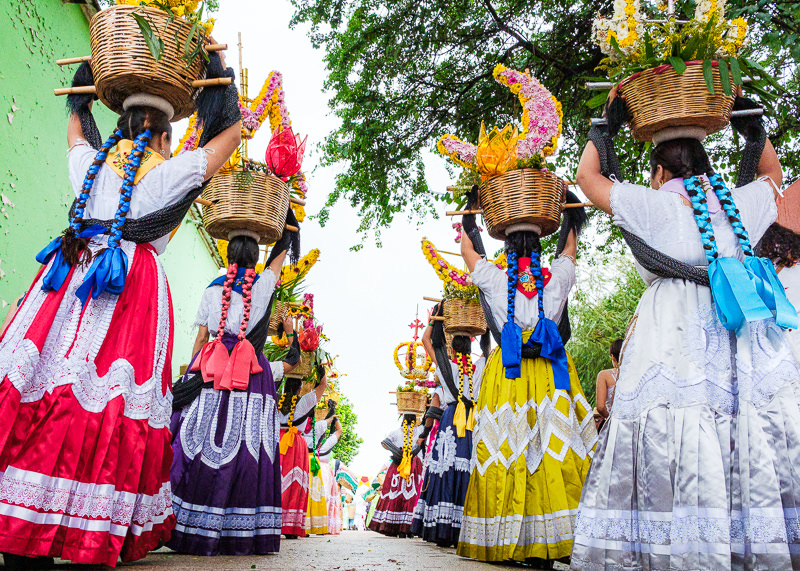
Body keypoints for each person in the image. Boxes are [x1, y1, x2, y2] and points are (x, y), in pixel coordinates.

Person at [0, 56, 241, 565]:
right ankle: (82, 528)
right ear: (161, 137)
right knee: (107, 398)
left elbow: (75, 123)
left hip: (68, 279)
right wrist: (219, 79)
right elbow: (230, 137)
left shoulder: (89, 162)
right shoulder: (170, 173)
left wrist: (83, 82)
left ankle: (21, 519)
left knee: (46, 382)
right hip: (131, 294)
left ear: (122, 125)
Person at [570, 88, 800, 569]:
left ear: (659, 173)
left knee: (673, 427)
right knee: (737, 424)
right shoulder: (739, 202)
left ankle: (679, 549)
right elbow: (772, 175)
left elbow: (588, 179)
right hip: (737, 325)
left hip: (669, 332)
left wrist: (606, 123)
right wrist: (747, 119)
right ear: (706, 166)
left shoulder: (652, 207)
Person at [457, 217, 597, 565]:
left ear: (506, 249)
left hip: (509, 375)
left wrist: (469, 221)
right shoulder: (556, 279)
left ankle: (503, 541)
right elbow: (569, 251)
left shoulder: (496, 278)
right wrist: (569, 219)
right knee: (552, 449)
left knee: (507, 447)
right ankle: (549, 545)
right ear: (539, 250)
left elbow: (468, 252)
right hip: (550, 374)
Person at [167, 232, 299, 556]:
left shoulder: (213, 287)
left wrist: (190, 375)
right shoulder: (265, 284)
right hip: (252, 371)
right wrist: (288, 222)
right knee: (248, 446)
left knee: (195, 439)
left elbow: (201, 338)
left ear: (228, 256)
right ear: (256, 257)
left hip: (210, 365)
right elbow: (282, 253)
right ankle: (240, 531)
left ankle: (188, 521)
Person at [412, 303, 487, 547]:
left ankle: (442, 528)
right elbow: (487, 351)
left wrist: (436, 317)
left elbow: (427, 340)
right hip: (472, 421)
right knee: (467, 466)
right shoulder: (481, 367)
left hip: (450, 419)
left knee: (445, 468)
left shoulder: (447, 368)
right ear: (471, 347)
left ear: (452, 350)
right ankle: (465, 527)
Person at [278, 370, 327, 538]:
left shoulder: (275, 399)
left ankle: (272, 521)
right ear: (300, 388)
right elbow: (323, 385)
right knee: (295, 482)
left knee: (275, 480)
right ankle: (291, 527)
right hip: (296, 445)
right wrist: (320, 368)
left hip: (276, 441)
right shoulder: (305, 402)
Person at [368, 414, 425, 537]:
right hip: (413, 465)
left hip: (397, 465)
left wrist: (397, 452)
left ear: (403, 419)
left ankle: (392, 527)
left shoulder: (396, 432)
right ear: (415, 420)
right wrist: (413, 451)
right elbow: (422, 441)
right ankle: (407, 528)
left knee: (395, 493)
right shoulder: (420, 430)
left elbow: (384, 442)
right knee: (410, 495)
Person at [304, 409, 339, 536]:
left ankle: (301, 525)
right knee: (315, 494)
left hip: (300, 458)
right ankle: (315, 526)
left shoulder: (298, 425)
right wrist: (333, 413)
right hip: (313, 461)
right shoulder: (318, 426)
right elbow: (330, 423)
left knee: (302, 492)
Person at [316, 404, 344, 535]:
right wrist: (334, 416)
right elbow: (339, 430)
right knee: (325, 497)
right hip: (324, 471)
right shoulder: (327, 443)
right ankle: (323, 525)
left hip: (310, 466)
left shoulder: (309, 435)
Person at [594, 338, 623, 430]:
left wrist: (610, 419)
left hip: (614, 426)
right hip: (633, 426)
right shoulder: (637, 376)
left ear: (613, 357)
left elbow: (601, 407)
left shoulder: (604, 375)